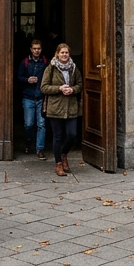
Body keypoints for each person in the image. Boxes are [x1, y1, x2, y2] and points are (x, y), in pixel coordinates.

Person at [41, 43, 82, 176]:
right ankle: (58, 164)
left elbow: (80, 85)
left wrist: (73, 89)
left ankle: (63, 154)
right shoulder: (50, 69)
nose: (64, 55)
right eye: (62, 52)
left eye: (66, 53)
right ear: (57, 54)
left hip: (71, 107)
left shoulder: (74, 68)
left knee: (72, 134)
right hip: (56, 107)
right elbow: (44, 87)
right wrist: (59, 88)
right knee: (57, 137)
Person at [17, 40, 48, 159]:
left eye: (38, 48)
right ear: (31, 49)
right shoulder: (24, 62)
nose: (36, 51)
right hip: (28, 96)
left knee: (41, 124)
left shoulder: (45, 62)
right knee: (28, 124)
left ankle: (40, 149)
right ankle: (28, 141)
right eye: (34, 48)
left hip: (41, 96)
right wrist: (27, 80)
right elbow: (18, 77)